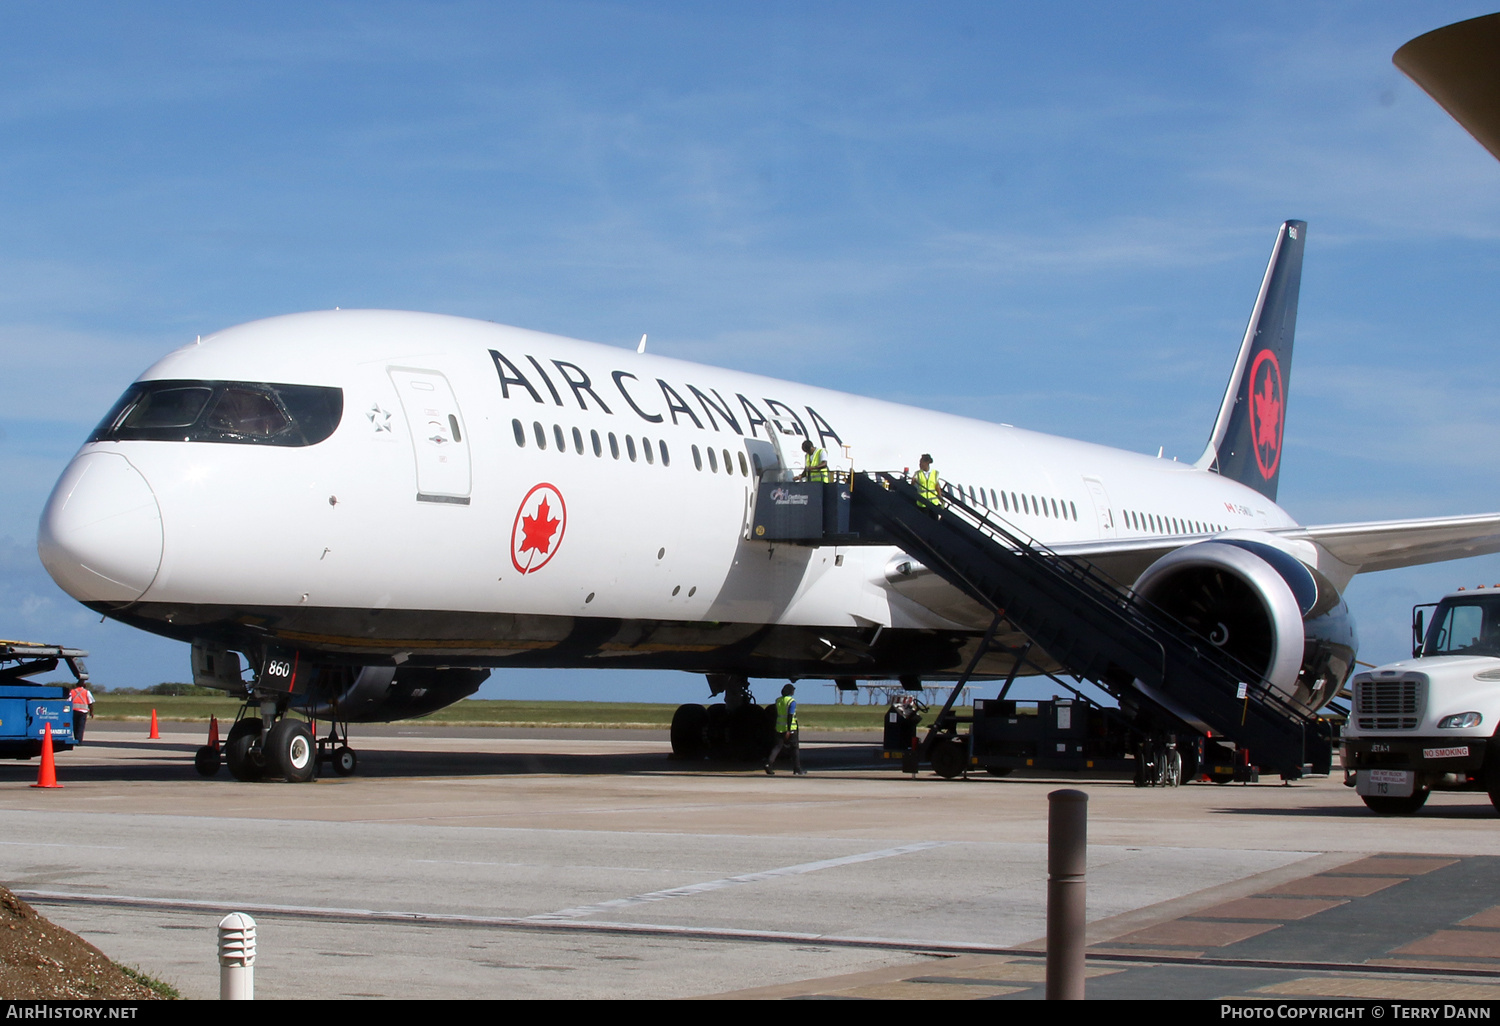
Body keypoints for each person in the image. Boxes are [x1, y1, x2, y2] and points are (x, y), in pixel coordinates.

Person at [765, 683, 805, 775]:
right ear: (791, 691)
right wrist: (789, 730)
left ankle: (768, 764)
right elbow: (790, 716)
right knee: (794, 748)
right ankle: (797, 769)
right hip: (790, 728)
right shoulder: (791, 701)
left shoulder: (778, 700)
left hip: (779, 727)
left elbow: (777, 714)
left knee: (777, 747)